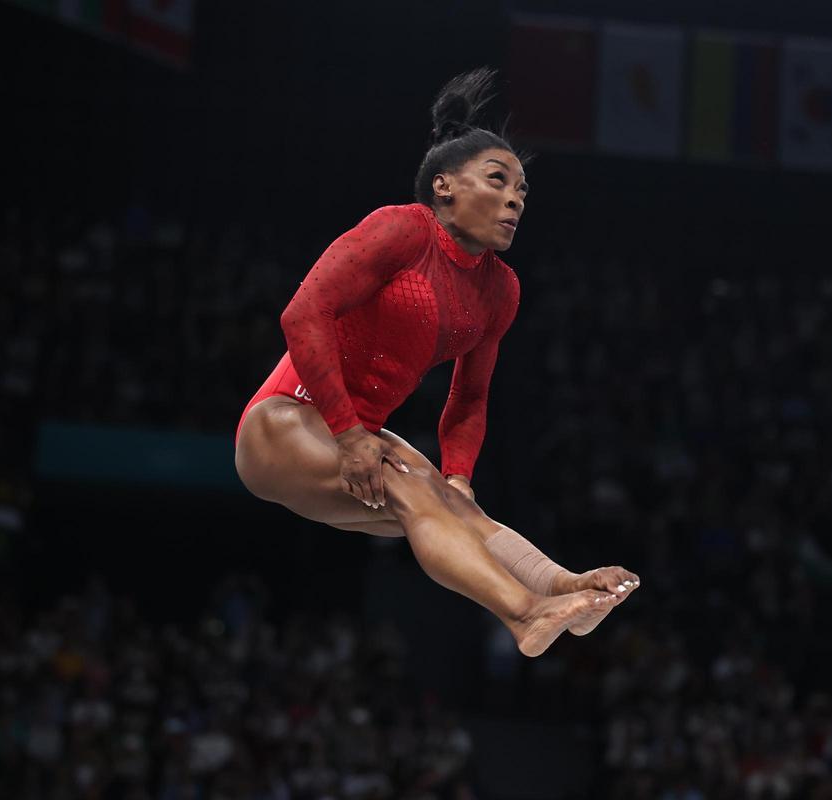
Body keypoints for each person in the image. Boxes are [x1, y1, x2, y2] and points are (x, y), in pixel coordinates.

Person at [233, 68, 639, 657]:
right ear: (444, 185)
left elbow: (469, 396)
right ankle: (524, 614)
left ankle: (562, 589)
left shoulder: (501, 290)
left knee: (451, 506)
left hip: (360, 439)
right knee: (411, 490)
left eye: (522, 191)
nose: (514, 200)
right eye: (498, 181)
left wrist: (460, 476)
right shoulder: (401, 229)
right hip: (283, 422)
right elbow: (303, 314)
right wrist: (348, 436)